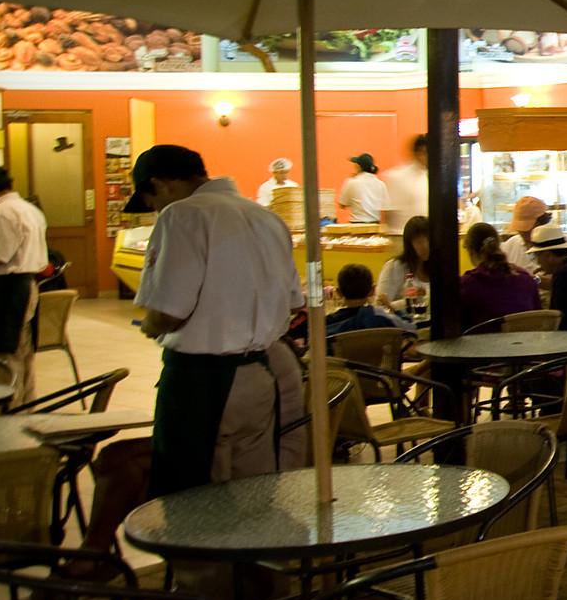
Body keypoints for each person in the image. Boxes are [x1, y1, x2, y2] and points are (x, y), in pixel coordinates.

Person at [126, 144, 306, 496]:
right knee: (253, 491)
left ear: (161, 184)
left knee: (191, 496)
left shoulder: (182, 215)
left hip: (202, 380)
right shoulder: (266, 217)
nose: (154, 208)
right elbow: (292, 302)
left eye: (151, 200)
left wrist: (152, 325)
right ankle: (251, 552)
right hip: (258, 372)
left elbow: (170, 310)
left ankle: (200, 553)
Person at [0, 167, 50, 403]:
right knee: (24, 350)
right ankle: (27, 404)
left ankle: (11, 406)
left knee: (7, 353)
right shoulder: (29, 209)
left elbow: (0, 255)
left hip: (8, 287)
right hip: (26, 283)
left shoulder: (3, 213)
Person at [459, 221, 541, 330]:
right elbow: (538, 317)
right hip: (525, 344)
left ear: (471, 251)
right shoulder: (526, 279)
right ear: (499, 245)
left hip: (483, 345)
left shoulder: (466, 284)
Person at [327, 263, 413, 336]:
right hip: (379, 355)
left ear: (338, 292)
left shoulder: (325, 324)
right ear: (372, 290)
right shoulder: (380, 317)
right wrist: (390, 306)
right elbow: (410, 327)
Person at [375, 215, 433, 318]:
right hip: (401, 329)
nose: (425, 246)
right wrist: (412, 301)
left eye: (429, 240)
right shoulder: (394, 267)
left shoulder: (440, 267)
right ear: (409, 244)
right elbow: (380, 307)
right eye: (419, 242)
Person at [383, 134, 430, 227]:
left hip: (426, 234)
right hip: (401, 233)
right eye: (424, 152)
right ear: (416, 153)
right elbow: (389, 214)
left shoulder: (432, 176)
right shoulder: (397, 177)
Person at [501, 195, 549, 272]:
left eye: (527, 228)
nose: (522, 232)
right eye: (519, 228)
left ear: (541, 222)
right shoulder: (510, 245)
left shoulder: (562, 244)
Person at [338, 152, 386, 224]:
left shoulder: (352, 182)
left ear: (359, 167)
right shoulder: (381, 184)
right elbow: (385, 206)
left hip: (356, 225)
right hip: (375, 225)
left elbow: (342, 204)